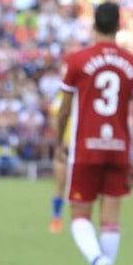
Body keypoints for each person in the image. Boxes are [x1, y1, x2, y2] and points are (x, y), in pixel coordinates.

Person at [54, 2, 133, 265]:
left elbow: (66, 106)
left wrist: (58, 139)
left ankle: (97, 262)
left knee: (80, 215)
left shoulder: (79, 60)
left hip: (86, 147)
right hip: (119, 148)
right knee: (111, 220)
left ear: (93, 26)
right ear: (119, 27)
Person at [47, 91, 70, 233]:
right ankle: (56, 218)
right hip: (65, 145)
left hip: (83, 146)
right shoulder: (63, 96)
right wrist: (61, 141)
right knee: (60, 181)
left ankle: (81, 220)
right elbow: (54, 118)